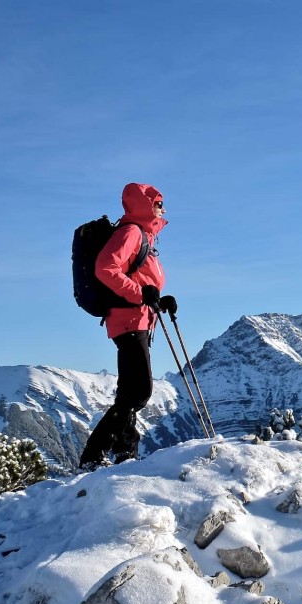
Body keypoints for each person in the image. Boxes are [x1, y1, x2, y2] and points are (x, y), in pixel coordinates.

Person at [78, 182, 177, 470]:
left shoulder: (144, 236)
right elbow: (105, 268)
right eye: (158, 203)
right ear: (146, 205)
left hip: (138, 318)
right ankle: (94, 454)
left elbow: (144, 284)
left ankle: (125, 452)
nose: (163, 208)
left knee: (128, 391)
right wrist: (139, 295)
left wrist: (159, 300)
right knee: (139, 391)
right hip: (128, 318)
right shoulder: (131, 232)